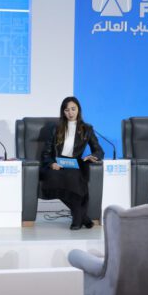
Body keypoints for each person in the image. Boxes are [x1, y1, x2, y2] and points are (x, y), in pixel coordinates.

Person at [40, 96, 104, 230]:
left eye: (73, 109)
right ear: (63, 112)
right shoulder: (55, 128)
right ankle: (81, 217)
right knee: (53, 177)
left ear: (78, 110)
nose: (70, 113)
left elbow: (99, 150)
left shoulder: (87, 129)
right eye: (67, 110)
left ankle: (77, 218)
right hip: (58, 163)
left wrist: (93, 156)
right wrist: (51, 164)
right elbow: (46, 153)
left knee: (74, 178)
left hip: (75, 164)